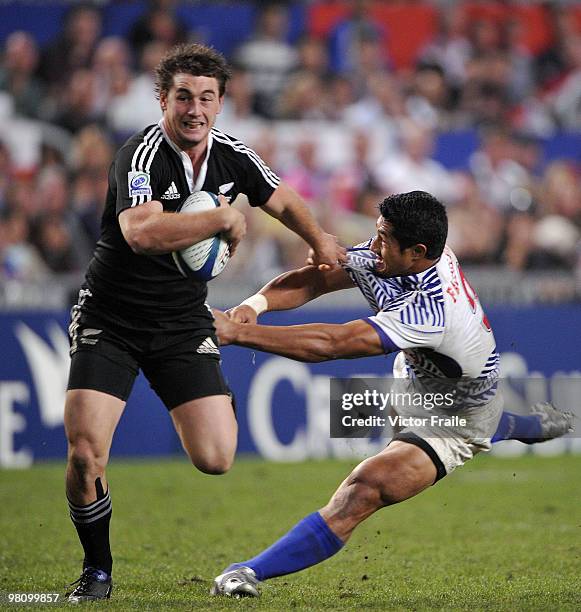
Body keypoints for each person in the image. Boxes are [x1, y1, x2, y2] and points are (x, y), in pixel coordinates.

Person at [64, 42, 343, 603]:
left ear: (220, 104)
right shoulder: (138, 156)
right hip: (111, 317)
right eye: (183, 97)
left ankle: (215, 396)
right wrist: (221, 216)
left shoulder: (233, 154)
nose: (195, 109)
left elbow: (283, 199)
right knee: (85, 451)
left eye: (207, 98)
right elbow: (140, 233)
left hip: (183, 321)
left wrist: (320, 242)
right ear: (162, 100)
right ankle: (97, 571)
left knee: (216, 458)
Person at [210, 190, 573, 597]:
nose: (374, 244)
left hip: (454, 417)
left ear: (417, 252)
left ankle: (245, 572)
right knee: (478, 419)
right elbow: (322, 276)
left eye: (384, 238)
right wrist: (254, 305)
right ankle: (518, 424)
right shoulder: (396, 253)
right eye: (377, 233)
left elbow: (334, 344)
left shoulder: (434, 310)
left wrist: (239, 333)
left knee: (365, 487)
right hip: (417, 377)